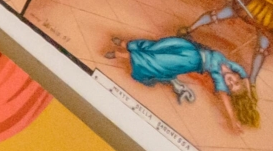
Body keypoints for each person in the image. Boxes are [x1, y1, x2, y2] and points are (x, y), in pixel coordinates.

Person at [106, 33, 257, 128]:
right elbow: (247, 80)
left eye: (231, 86)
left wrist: (233, 119)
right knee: (157, 47)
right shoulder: (233, 66)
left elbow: (225, 99)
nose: (230, 81)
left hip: (191, 61)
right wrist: (249, 96)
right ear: (238, 77)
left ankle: (121, 55)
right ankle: (125, 44)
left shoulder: (219, 79)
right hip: (189, 48)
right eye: (235, 82)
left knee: (159, 59)